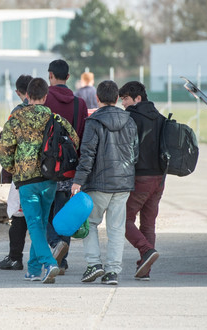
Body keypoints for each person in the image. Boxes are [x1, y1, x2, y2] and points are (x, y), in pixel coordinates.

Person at [0, 78, 79, 284]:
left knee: (33, 223)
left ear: (27, 96)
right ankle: (33, 270)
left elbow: (4, 149)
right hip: (49, 177)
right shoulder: (55, 118)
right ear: (45, 97)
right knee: (40, 223)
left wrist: (13, 168)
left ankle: (49, 263)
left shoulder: (16, 118)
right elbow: (74, 140)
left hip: (26, 179)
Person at [71, 80, 138, 286]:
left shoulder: (93, 122)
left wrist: (78, 182)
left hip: (98, 184)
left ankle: (94, 264)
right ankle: (112, 272)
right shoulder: (130, 121)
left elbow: (87, 155)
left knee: (90, 224)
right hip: (123, 184)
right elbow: (134, 153)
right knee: (116, 229)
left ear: (97, 98)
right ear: (117, 98)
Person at [44, 59, 88, 275]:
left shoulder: (43, 101)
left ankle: (53, 246)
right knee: (65, 213)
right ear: (68, 77)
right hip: (70, 167)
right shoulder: (80, 103)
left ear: (50, 75)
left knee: (46, 212)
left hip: (46, 166)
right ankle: (63, 260)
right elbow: (82, 134)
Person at [119, 81, 165, 280]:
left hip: (140, 177)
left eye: (126, 99)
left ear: (138, 98)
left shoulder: (131, 118)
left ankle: (146, 251)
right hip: (160, 178)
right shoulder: (161, 117)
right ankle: (145, 267)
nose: (123, 104)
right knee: (148, 224)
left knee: (122, 220)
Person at [0, 74, 32, 271]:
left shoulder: (17, 113)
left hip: (22, 173)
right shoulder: (48, 111)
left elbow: (6, 146)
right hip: (46, 173)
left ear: (18, 92)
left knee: (19, 216)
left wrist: (10, 168)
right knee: (40, 218)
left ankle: (15, 257)